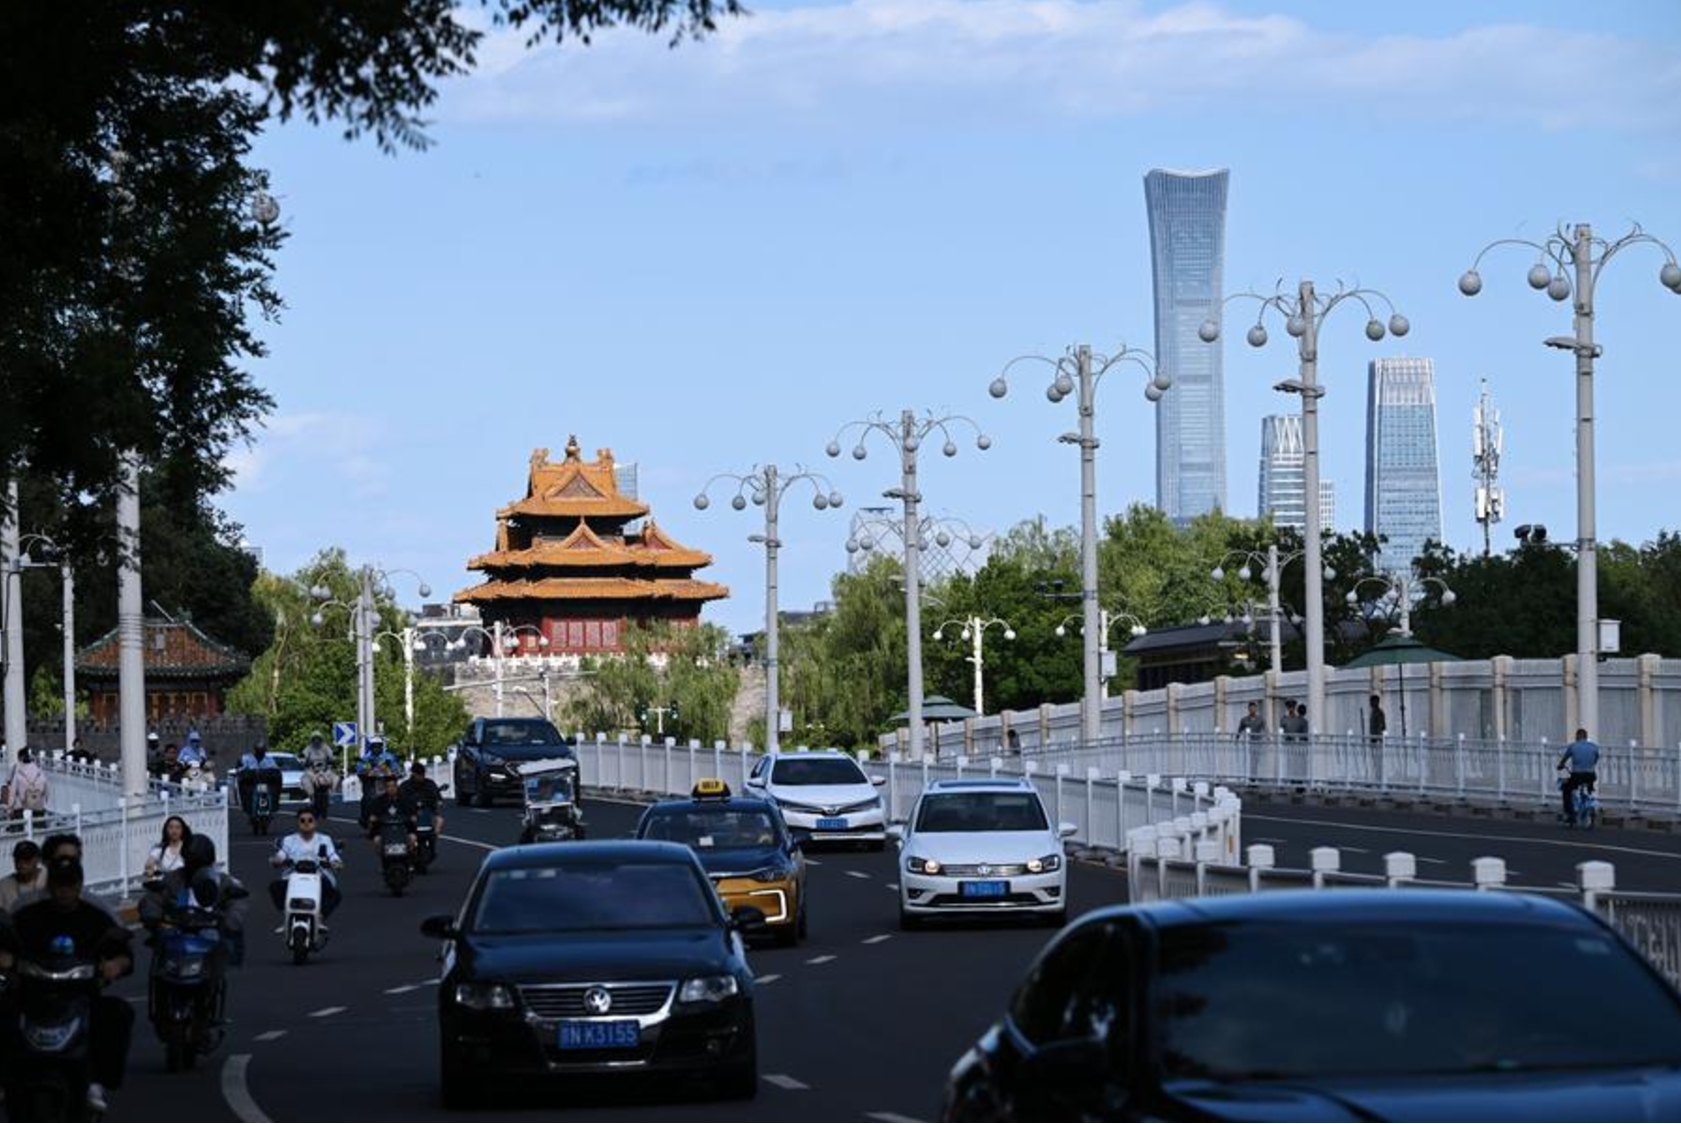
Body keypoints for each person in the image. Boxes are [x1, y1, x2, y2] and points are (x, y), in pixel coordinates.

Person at [0, 858, 136, 1113]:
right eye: (59, 885)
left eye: (69, 885)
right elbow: (7, 938)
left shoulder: (95, 916)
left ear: (79, 885)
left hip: (80, 997)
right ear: (50, 885)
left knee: (116, 1014)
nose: (64, 891)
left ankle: (96, 1081)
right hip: (31, 996)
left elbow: (121, 950)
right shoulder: (27, 913)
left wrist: (116, 964)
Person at [139, 833, 248, 968]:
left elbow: (237, 903)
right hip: (178, 930)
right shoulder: (173, 879)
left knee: (227, 947)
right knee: (161, 946)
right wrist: (153, 919)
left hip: (209, 930)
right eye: (193, 864)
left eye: (200, 864)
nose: (196, 870)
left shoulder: (221, 881)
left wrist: (230, 921)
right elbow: (154, 898)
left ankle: (225, 968)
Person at [269, 810, 343, 917]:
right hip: (293, 877)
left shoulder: (325, 839)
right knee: (274, 887)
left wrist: (336, 863)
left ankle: (320, 916)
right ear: (298, 823)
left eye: (310, 820)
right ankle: (286, 914)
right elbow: (281, 854)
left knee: (335, 895)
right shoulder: (289, 840)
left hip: (318, 876)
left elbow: (332, 855)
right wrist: (276, 860)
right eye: (302, 821)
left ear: (315, 823)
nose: (306, 823)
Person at [1558, 727, 1601, 827]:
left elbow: (1565, 759)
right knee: (1589, 788)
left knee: (1566, 790)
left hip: (1577, 775)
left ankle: (1570, 815)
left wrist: (1560, 765)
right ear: (1586, 737)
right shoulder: (1594, 747)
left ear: (1578, 736)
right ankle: (1590, 802)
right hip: (1591, 775)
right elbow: (1595, 759)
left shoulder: (1573, 746)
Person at [365, 774, 418, 853]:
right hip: (385, 830)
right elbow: (373, 815)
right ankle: (384, 859)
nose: (391, 789)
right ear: (385, 788)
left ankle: (410, 859)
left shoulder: (404, 800)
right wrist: (373, 818)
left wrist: (413, 817)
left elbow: (412, 812)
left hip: (403, 829)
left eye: (393, 786)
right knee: (377, 840)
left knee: (413, 838)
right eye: (388, 786)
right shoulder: (379, 801)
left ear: (397, 787)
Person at [398, 761, 446, 836]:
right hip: (411, 812)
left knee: (440, 820)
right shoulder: (405, 786)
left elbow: (437, 796)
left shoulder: (430, 783)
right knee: (407, 823)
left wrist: (439, 801)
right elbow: (400, 800)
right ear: (413, 774)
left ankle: (432, 837)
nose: (421, 776)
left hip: (428, 811)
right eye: (419, 774)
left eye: (422, 774)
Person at [0, 839, 45, 913]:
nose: (21, 863)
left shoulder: (48, 879)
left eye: (27, 859)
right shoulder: (3, 885)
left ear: (38, 859)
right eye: (18, 859)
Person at [299, 731, 339, 813]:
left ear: (321, 739)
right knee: (305, 780)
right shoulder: (308, 748)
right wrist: (302, 759)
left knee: (336, 778)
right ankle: (312, 797)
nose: (316, 740)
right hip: (311, 771)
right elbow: (303, 757)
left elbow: (331, 757)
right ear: (312, 739)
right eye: (314, 739)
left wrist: (334, 758)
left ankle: (331, 795)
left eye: (318, 738)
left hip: (325, 771)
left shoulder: (326, 747)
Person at [5, 746, 49, 817]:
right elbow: (46, 792)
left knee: (21, 827)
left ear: (20, 758)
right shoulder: (40, 772)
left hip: (21, 808)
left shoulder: (18, 773)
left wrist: (10, 808)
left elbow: (12, 794)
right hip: (38, 808)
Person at [145, 815, 192, 879]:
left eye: (177, 827)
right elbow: (151, 861)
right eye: (171, 827)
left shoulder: (189, 847)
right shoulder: (160, 849)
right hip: (166, 884)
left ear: (183, 830)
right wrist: (150, 867)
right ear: (166, 830)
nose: (174, 830)